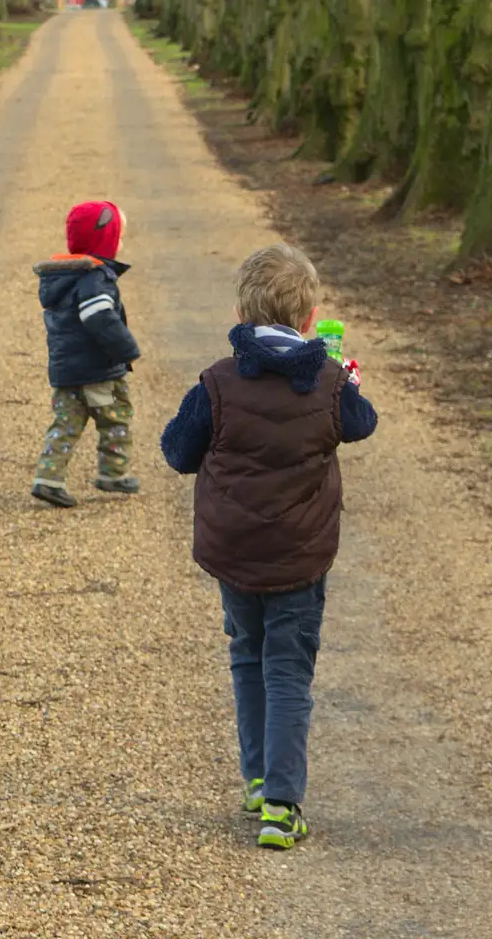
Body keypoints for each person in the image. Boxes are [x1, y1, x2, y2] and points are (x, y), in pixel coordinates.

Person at [160, 242, 377, 849]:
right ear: (311, 319)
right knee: (288, 670)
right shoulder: (330, 384)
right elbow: (362, 424)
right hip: (301, 557)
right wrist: (343, 376)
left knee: (247, 656)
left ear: (241, 312)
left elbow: (178, 453)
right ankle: (282, 804)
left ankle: (257, 778)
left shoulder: (218, 383)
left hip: (236, 555)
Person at [31, 200, 141, 509]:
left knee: (66, 421)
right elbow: (99, 316)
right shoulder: (95, 278)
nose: (120, 243)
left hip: (66, 369)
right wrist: (126, 349)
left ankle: (47, 478)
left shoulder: (61, 278)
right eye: (117, 236)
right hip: (98, 368)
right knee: (116, 416)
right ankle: (114, 473)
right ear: (104, 240)